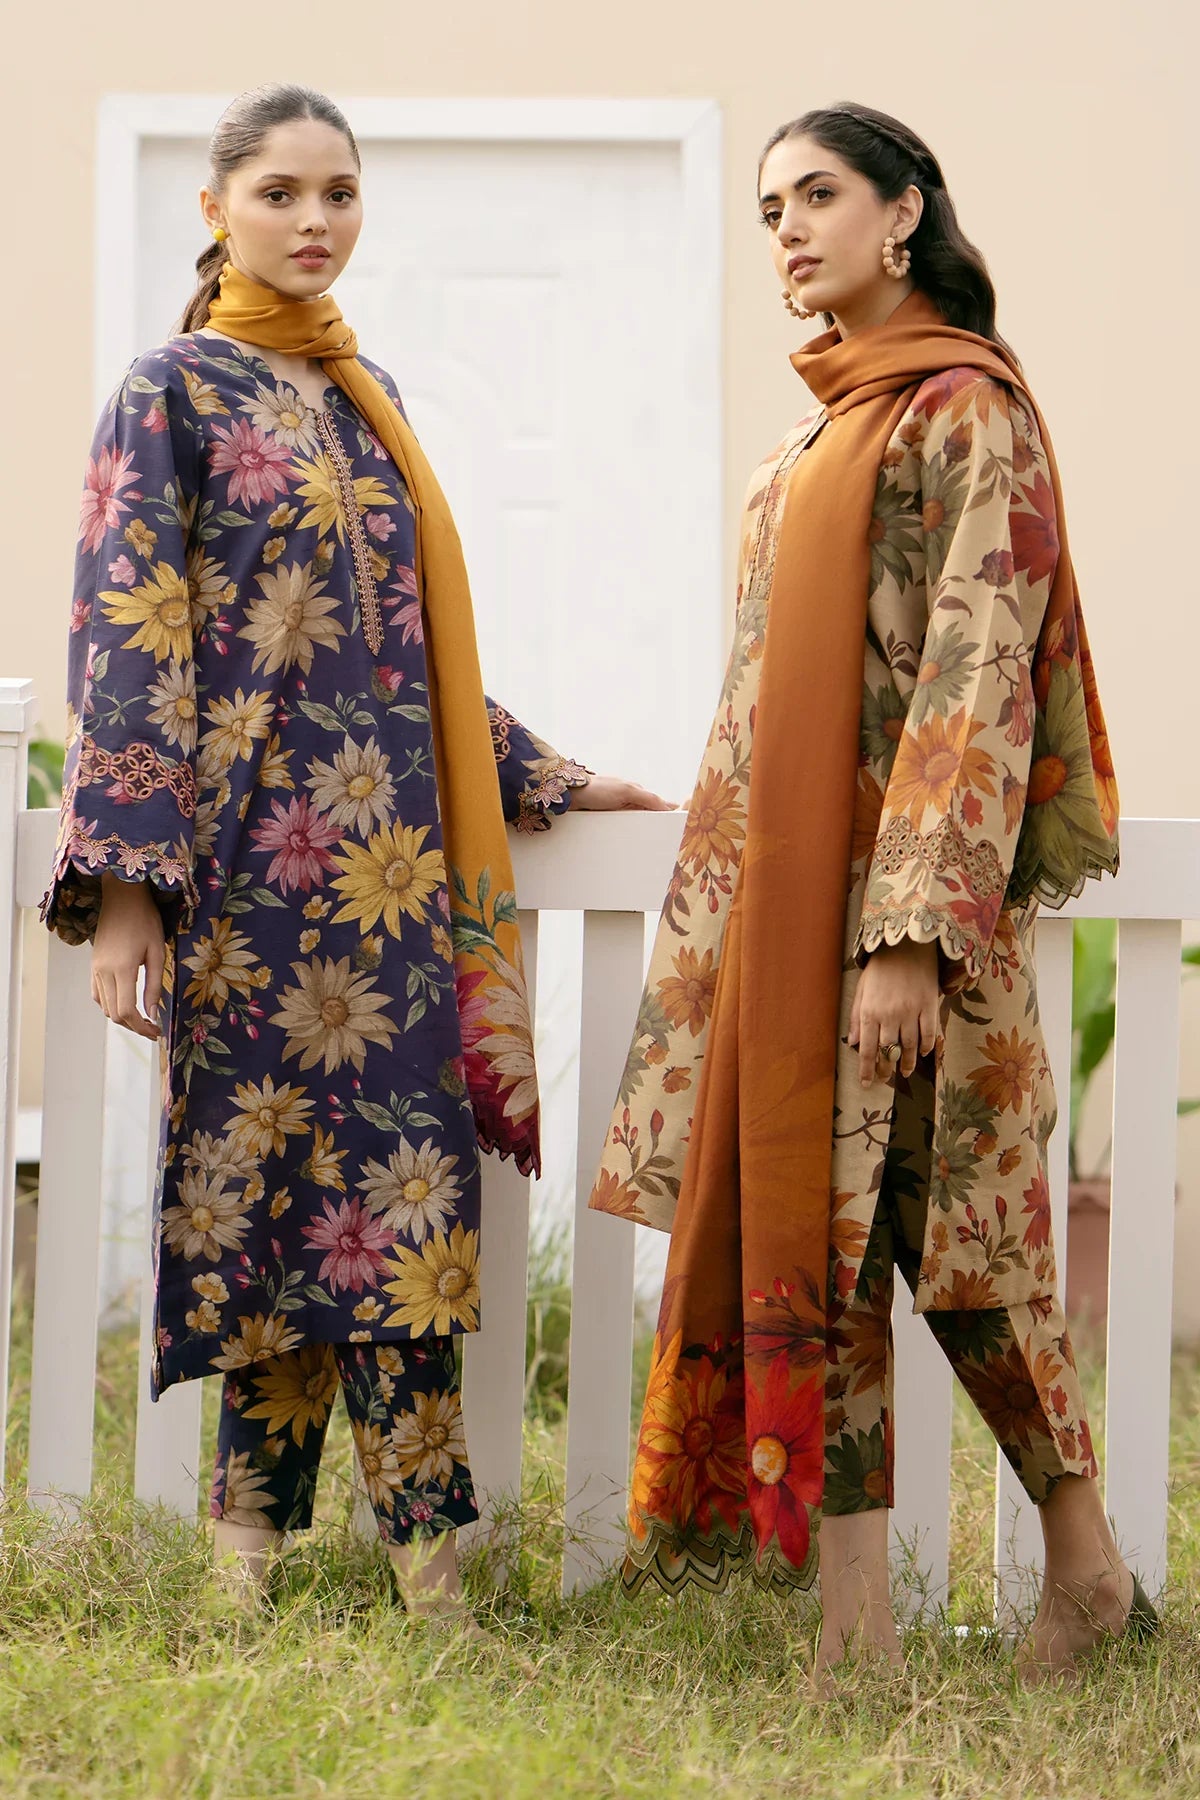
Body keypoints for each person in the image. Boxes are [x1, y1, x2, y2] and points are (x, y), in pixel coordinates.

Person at [43, 82, 668, 1625]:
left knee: (402, 1215)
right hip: (248, 876)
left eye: (339, 191)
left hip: (390, 890)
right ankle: (242, 1572)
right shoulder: (169, 392)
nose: (315, 219)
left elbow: (409, 652)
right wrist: (124, 890)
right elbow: (130, 635)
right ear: (217, 210)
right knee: (262, 1210)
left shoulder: (363, 391)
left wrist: (551, 777)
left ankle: (429, 1581)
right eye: (280, 192)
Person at [589, 101, 1155, 1682]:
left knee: (973, 1257)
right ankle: (854, 1636)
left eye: (819, 194)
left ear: (905, 213)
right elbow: (762, 708)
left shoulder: (972, 413)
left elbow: (975, 675)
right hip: (789, 928)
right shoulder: (800, 450)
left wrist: (909, 934)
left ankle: (1088, 1573)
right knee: (817, 1258)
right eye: (769, 204)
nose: (785, 227)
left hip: (923, 922)